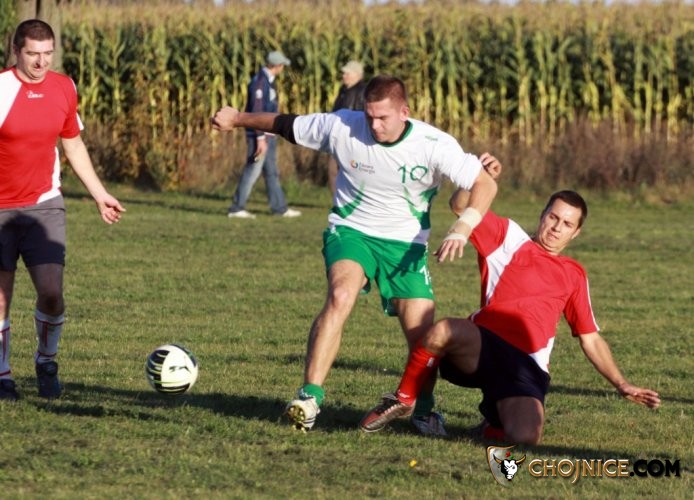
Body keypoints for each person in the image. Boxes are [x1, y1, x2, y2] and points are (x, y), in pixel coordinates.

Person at [212, 75, 499, 433]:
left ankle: (424, 410)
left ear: (404, 112)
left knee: (422, 335)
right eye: (369, 116)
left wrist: (463, 226)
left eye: (383, 118)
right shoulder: (342, 126)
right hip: (352, 231)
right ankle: (309, 399)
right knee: (340, 295)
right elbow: (285, 123)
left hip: (406, 245)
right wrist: (238, 118)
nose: (374, 126)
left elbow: (484, 183)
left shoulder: (433, 144)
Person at [359, 190, 661, 444]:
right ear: (543, 214)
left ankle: (493, 423)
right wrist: (480, 177)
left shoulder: (574, 274)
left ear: (576, 232)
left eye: (567, 223)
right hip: (482, 348)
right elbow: (460, 205)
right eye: (553, 217)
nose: (557, 227)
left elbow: (590, 338)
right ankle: (405, 399)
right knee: (444, 330)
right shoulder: (507, 237)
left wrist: (622, 384)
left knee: (525, 438)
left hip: (527, 366)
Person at [0, 20, 125, 401]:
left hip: (44, 204)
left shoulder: (64, 87)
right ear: (16, 51)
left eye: (48, 54)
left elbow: (72, 144)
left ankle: (46, 361)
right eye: (33, 54)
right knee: (1, 299)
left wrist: (99, 194)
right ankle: (2, 375)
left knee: (52, 293)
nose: (41, 62)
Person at [227, 50, 301, 219]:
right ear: (277, 65)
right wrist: (260, 138)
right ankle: (237, 208)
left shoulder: (269, 81)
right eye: (282, 65)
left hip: (269, 135)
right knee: (253, 170)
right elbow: (256, 111)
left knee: (271, 172)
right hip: (259, 137)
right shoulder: (260, 82)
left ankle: (279, 208)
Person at [327, 60, 367, 195]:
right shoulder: (343, 90)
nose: (344, 76)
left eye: (347, 73)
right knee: (332, 170)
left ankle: (354, 199)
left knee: (353, 173)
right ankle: (337, 200)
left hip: (353, 138)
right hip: (337, 137)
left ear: (357, 75)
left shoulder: (363, 92)